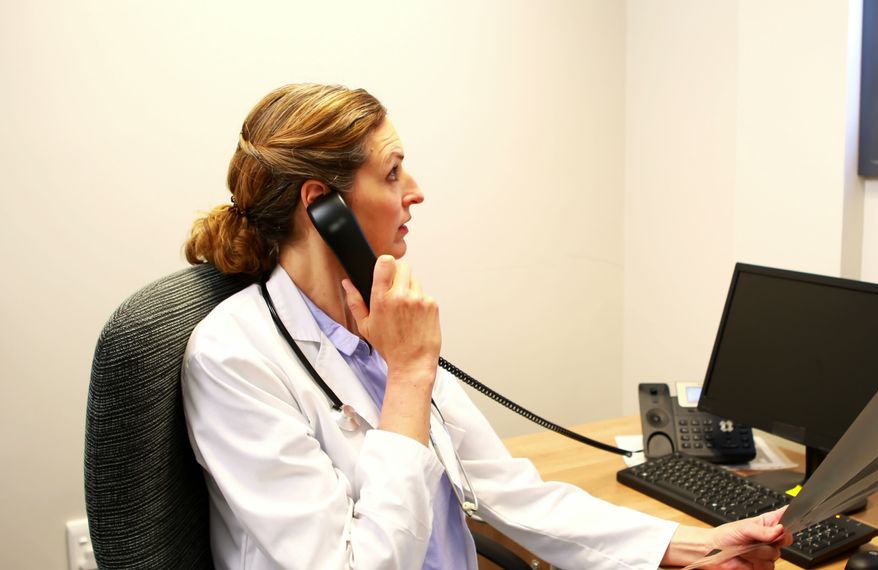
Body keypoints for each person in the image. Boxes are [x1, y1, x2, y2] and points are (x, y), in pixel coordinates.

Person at [182, 83, 792, 569]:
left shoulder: (384, 323)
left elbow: (509, 494)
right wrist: (410, 376)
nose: (415, 192)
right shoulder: (235, 359)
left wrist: (688, 545)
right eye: (393, 172)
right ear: (323, 203)